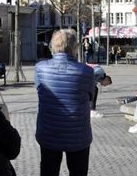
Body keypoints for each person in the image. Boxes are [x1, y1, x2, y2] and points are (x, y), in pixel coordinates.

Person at [35, 29, 93, 176]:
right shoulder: (86, 72)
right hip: (77, 134)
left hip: (49, 132)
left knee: (48, 171)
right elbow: (90, 96)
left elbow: (40, 92)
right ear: (74, 48)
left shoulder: (40, 68)